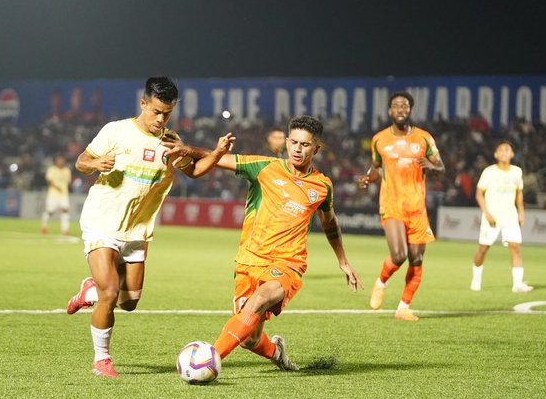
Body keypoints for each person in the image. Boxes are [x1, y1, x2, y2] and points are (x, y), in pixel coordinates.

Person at [64, 77, 234, 378]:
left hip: (137, 231)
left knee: (128, 302)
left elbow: (193, 171)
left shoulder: (170, 141)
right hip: (101, 221)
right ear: (143, 104)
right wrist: (96, 163)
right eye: (156, 111)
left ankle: (90, 290)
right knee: (110, 293)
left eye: (167, 113)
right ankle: (101, 360)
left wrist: (217, 153)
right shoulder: (116, 130)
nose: (161, 119)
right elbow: (81, 161)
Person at [171, 115, 363, 371]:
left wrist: (343, 262)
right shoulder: (264, 167)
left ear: (316, 148)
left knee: (260, 300)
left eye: (305, 145)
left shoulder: (322, 186)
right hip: (249, 260)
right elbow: (218, 158)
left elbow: (330, 223)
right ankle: (276, 354)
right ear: (286, 141)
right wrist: (188, 150)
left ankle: (208, 361)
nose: (297, 148)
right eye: (293, 142)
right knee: (248, 338)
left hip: (287, 264)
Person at [358, 91, 445, 321]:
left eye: (405, 106)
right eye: (396, 106)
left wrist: (431, 165)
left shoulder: (424, 138)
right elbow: (376, 167)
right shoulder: (379, 139)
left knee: (417, 259)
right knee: (399, 255)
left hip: (417, 208)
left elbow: (440, 166)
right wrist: (368, 177)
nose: (400, 109)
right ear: (390, 111)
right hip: (392, 204)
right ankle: (381, 283)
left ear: (410, 110)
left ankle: (403, 307)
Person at [470, 140, 533, 292]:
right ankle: (476, 279)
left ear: (512, 154)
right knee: (483, 248)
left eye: (507, 150)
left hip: (510, 216)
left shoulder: (517, 172)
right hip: (492, 216)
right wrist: (486, 212)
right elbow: (479, 194)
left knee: (515, 247)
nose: (504, 152)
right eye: (501, 150)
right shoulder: (489, 171)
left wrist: (521, 212)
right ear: (496, 154)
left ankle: (517, 284)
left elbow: (519, 194)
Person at [40, 154, 72, 235]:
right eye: (59, 160)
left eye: (62, 160)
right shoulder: (52, 169)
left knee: (65, 211)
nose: (61, 162)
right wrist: (57, 187)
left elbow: (68, 182)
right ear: (56, 161)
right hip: (53, 195)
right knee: (50, 211)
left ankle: (65, 230)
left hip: (64, 195)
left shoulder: (67, 171)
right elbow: (49, 181)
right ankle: (44, 227)